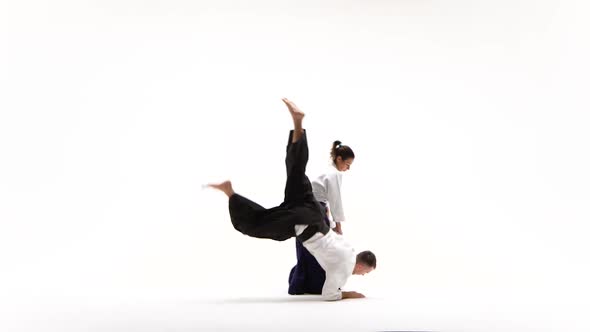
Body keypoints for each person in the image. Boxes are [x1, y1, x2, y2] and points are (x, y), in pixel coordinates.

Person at [207, 98, 376, 301]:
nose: (364, 275)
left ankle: (298, 122)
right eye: (366, 272)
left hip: (310, 206)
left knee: (295, 168)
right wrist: (349, 294)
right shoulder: (344, 269)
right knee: (259, 225)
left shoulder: (349, 248)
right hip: (304, 220)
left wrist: (332, 222)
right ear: (360, 265)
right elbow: (330, 294)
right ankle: (230, 193)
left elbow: (333, 229)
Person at [288, 140, 356, 295]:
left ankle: (299, 284)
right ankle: (314, 286)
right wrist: (337, 226)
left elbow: (325, 201)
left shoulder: (327, 172)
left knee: (306, 248)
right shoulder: (334, 174)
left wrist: (330, 221)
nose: (348, 168)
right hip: (314, 213)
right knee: (319, 251)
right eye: (347, 164)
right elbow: (335, 200)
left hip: (307, 212)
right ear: (339, 159)